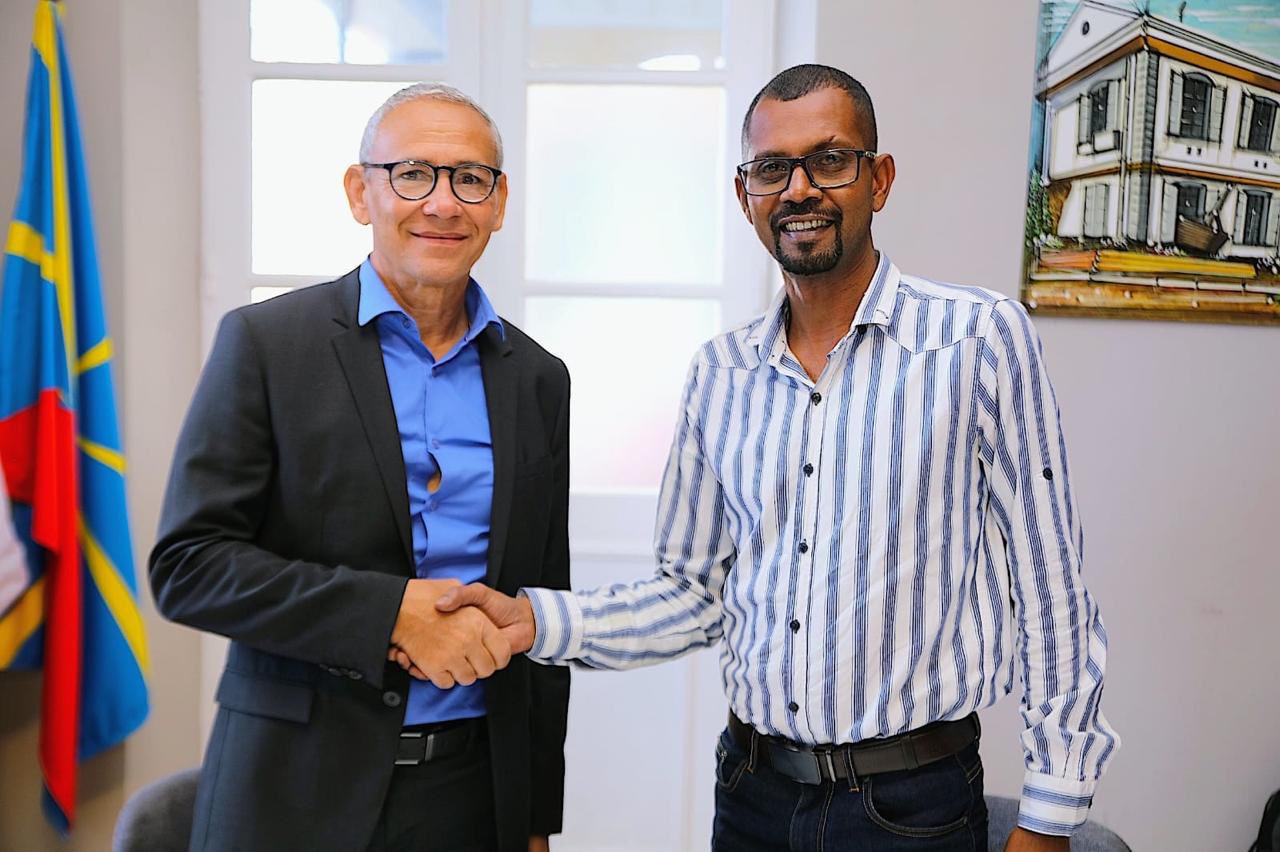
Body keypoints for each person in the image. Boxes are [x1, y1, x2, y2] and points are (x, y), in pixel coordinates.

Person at [431, 65, 1119, 851]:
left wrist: (1050, 814)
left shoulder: (978, 339)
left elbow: (1052, 589)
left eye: (829, 160)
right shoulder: (720, 374)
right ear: (745, 194)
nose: (799, 189)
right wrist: (533, 619)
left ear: (879, 179)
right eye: (772, 168)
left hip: (911, 809)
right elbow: (693, 594)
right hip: (751, 798)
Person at [151, 83, 570, 852]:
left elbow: (542, 607)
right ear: (359, 191)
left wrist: (536, 818)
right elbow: (190, 566)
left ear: (499, 202)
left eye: (469, 178)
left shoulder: (538, 379)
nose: (442, 203)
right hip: (293, 793)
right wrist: (388, 614)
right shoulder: (267, 345)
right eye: (412, 174)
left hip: (473, 797)